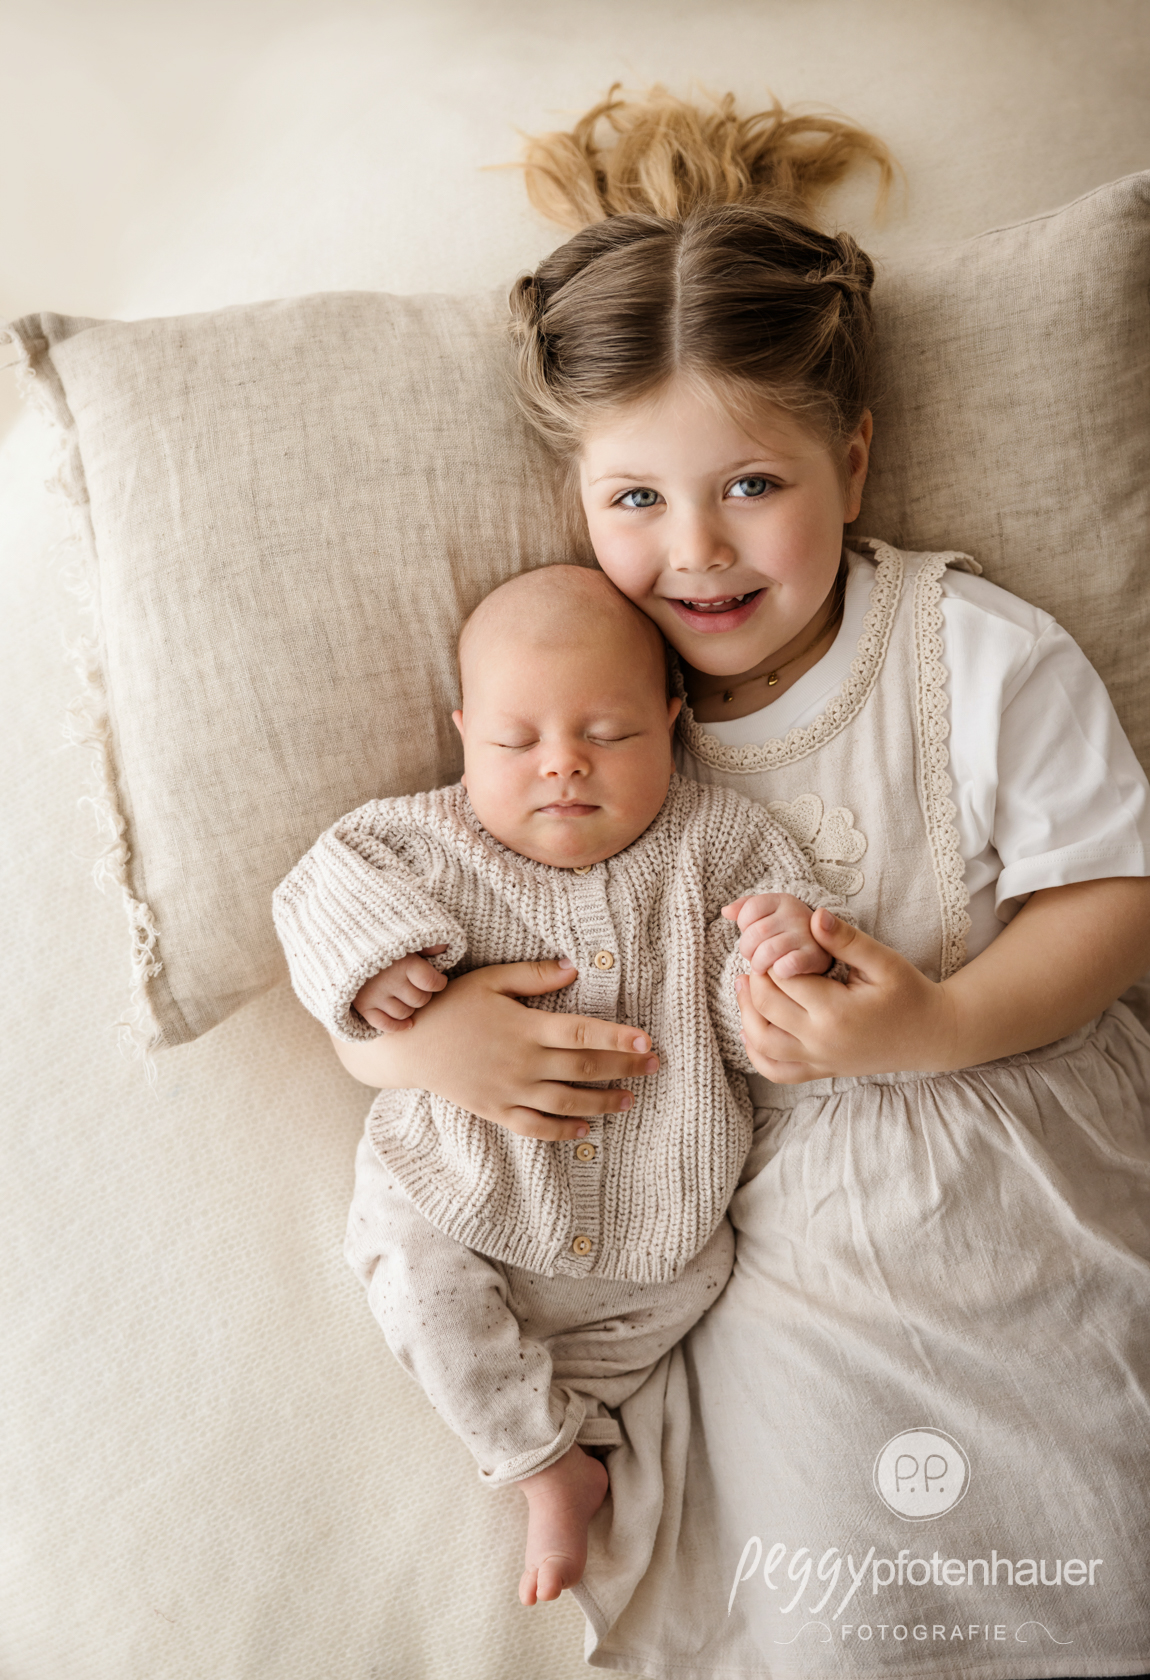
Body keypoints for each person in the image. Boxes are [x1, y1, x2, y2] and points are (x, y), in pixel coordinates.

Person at [330, 89, 1150, 1675]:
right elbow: (408, 926)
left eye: (751, 488)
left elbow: (1115, 895)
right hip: (775, 1246)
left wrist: (934, 1025)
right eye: (635, 500)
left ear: (851, 457)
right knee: (845, 1607)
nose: (695, 551)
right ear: (578, 501)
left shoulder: (965, 653)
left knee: (1095, 1543)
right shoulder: (598, 734)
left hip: (1017, 1169)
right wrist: (411, 1044)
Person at [273, 564, 847, 1607]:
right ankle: (545, 1466)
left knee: (697, 1279)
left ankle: (584, 1419)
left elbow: (753, 999)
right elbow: (316, 888)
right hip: (459, 1194)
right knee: (410, 1274)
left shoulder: (719, 843)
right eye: (515, 741)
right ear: (462, 733)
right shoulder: (417, 840)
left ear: (673, 721)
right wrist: (380, 963)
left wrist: (780, 954)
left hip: (660, 1221)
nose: (562, 768)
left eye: (611, 735)